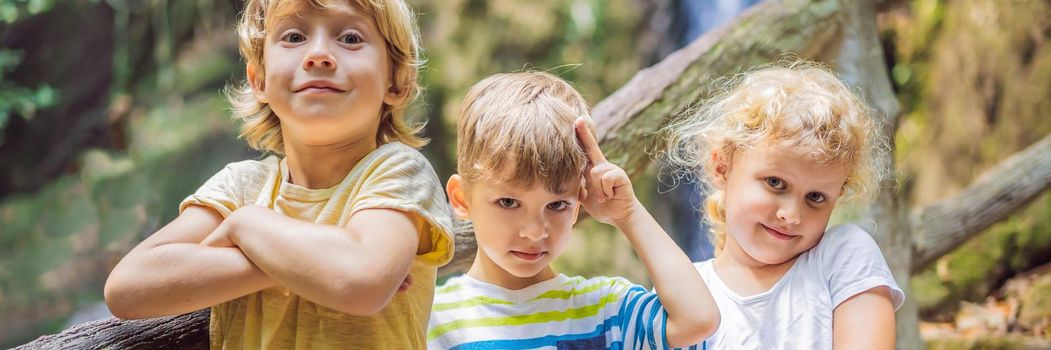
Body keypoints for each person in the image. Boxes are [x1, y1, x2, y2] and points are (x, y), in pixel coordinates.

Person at [103, 1, 454, 348]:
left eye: (349, 39)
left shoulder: (399, 170)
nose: (318, 55)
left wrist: (246, 226)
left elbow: (358, 282)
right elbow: (127, 288)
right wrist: (309, 266)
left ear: (397, 81)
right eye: (293, 37)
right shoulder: (241, 185)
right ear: (259, 80)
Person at [427, 72, 719, 349]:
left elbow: (698, 321)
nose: (534, 231)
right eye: (508, 202)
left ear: (579, 203)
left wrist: (629, 215)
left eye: (556, 205)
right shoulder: (429, 316)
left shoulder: (604, 312)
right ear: (461, 198)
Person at [665, 60, 905, 349]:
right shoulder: (683, 295)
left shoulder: (842, 258)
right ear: (721, 167)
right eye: (775, 183)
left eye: (815, 197)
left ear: (838, 195)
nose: (791, 215)